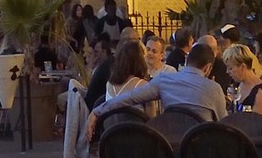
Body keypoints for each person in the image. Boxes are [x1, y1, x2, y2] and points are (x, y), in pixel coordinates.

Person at [89, 39, 226, 128]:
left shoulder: (164, 81)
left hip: (170, 150)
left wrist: (97, 111)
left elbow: (128, 97)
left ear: (186, 61)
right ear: (208, 68)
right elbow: (223, 124)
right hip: (200, 152)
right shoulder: (214, 88)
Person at [221, 43, 262, 116]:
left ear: (242, 67)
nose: (227, 71)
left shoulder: (259, 93)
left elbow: (259, 121)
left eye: (230, 68)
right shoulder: (238, 84)